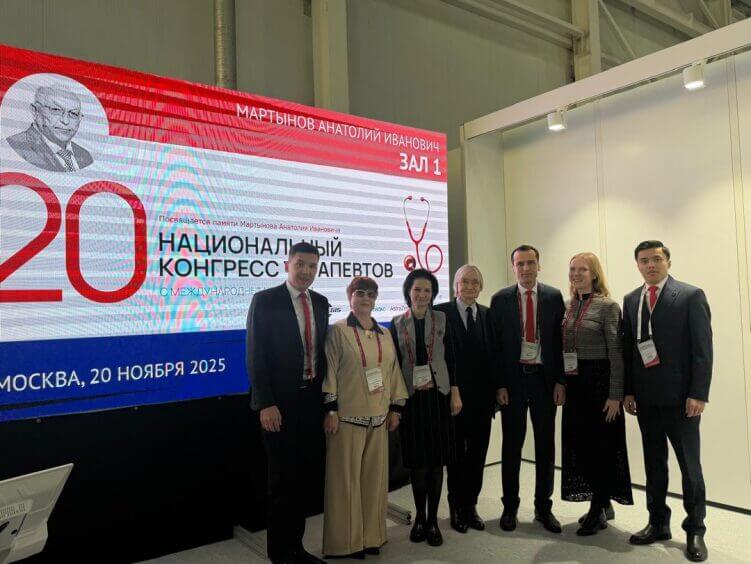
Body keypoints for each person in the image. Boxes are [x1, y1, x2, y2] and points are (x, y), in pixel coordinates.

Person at [623, 241, 712, 563]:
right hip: (646, 400)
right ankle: (658, 522)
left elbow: (703, 350)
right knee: (654, 465)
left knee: (690, 468)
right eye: (644, 260)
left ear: (668, 262)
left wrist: (698, 394)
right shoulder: (632, 300)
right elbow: (630, 351)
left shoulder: (690, 296)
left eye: (656, 259)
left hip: (681, 402)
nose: (650, 265)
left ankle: (695, 529)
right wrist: (629, 391)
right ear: (637, 264)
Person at [246, 242, 329, 564]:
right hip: (279, 404)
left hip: (310, 401)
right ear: (287, 264)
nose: (306, 271)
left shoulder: (320, 302)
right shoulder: (265, 300)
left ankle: (296, 548)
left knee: (303, 478)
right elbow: (255, 354)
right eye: (301, 264)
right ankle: (280, 554)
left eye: (312, 266)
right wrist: (265, 403)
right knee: (281, 481)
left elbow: (321, 354)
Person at [321, 277, 408, 559]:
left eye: (371, 294)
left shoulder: (385, 334)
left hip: (379, 419)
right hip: (347, 419)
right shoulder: (338, 331)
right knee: (345, 484)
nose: (365, 298)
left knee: (374, 482)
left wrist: (396, 408)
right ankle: (346, 543)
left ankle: (372, 537)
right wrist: (331, 409)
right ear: (350, 296)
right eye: (360, 293)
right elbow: (329, 371)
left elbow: (392, 372)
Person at [488, 244, 565, 534]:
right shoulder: (500, 299)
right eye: (519, 264)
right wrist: (499, 384)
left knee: (546, 446)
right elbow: (495, 347)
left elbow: (560, 344)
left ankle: (543, 507)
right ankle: (510, 507)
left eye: (530, 263)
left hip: (544, 381)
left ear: (538, 266)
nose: (525, 269)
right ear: (513, 268)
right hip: (514, 382)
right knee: (512, 446)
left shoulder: (554, 297)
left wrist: (560, 381)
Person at [560, 252, 633, 536]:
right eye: (572, 269)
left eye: (582, 269)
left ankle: (597, 509)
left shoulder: (608, 306)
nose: (576, 274)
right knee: (581, 447)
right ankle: (602, 503)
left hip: (600, 386)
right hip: (575, 385)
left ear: (594, 274)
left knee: (601, 448)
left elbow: (616, 354)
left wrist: (615, 395)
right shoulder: (568, 306)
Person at [390, 268, 460, 547]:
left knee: (436, 462)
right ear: (408, 292)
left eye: (427, 290)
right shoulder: (397, 323)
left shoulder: (442, 319)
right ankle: (420, 517)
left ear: (433, 294)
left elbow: (452, 357)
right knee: (418, 463)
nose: (422, 295)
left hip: (438, 398)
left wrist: (455, 393)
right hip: (412, 401)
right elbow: (394, 365)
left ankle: (433, 520)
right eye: (417, 289)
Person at [434, 264, 500, 534]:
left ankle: (471, 505)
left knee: (477, 454)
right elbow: (438, 357)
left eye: (475, 282)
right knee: (456, 457)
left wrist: (497, 392)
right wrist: (452, 389)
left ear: (481, 287)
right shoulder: (441, 313)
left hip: (482, 400)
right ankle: (456, 507)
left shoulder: (488, 314)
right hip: (453, 398)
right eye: (465, 281)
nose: (470, 286)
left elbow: (494, 355)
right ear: (455, 286)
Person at [6, 85, 93, 172]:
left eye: (74, 113)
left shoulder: (85, 156)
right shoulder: (16, 146)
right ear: (35, 111)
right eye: (56, 110)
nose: (65, 121)